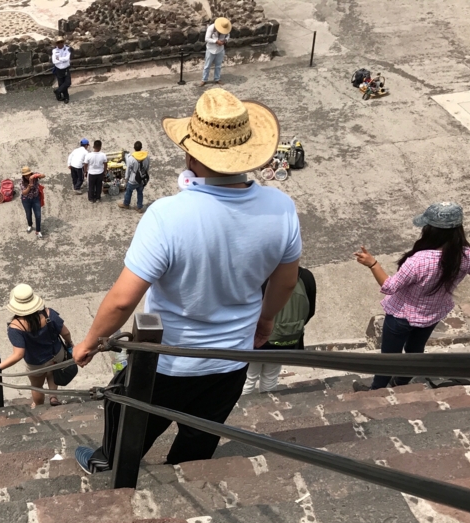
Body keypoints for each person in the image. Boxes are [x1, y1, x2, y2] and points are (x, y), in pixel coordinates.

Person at [72, 88, 302, 471]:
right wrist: (264, 319)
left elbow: (123, 300)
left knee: (128, 417)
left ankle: (109, 463)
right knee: (201, 432)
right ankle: (186, 472)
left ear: (192, 152)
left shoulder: (167, 215)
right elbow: (286, 282)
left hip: (168, 362)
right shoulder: (281, 208)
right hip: (232, 357)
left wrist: (90, 342)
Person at [353, 202, 470, 391]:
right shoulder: (467, 254)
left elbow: (389, 286)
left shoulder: (418, 261)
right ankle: (401, 383)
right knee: (414, 351)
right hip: (432, 315)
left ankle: (376, 390)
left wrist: (373, 264)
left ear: (432, 231)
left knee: (388, 357)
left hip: (401, 316)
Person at [0, 284, 73, 409]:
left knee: (36, 386)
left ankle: (38, 406)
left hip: (36, 363)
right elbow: (65, 333)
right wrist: (69, 343)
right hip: (57, 353)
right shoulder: (49, 314)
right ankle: (53, 397)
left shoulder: (15, 327)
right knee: (53, 372)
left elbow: (18, 354)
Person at [243, 267, 316, 394]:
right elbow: (310, 311)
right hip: (286, 339)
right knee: (271, 377)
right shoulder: (305, 276)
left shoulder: (257, 276)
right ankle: (269, 405)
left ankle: (243, 409)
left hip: (256, 339)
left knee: (248, 378)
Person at [120, 141, 150, 212]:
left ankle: (126, 204)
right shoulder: (147, 157)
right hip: (142, 179)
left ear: (134, 148)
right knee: (140, 192)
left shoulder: (131, 158)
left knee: (129, 191)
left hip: (133, 179)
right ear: (141, 148)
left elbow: (128, 169)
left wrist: (126, 178)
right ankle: (139, 207)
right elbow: (147, 168)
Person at [201, 17, 231, 86]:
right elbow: (206, 38)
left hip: (220, 49)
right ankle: (204, 80)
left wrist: (225, 40)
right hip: (211, 49)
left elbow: (228, 35)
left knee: (218, 66)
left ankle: (217, 79)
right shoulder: (211, 28)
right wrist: (216, 41)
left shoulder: (226, 28)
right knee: (207, 65)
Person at [20, 166, 44, 239]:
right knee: (28, 214)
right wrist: (29, 187)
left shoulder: (34, 176)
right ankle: (30, 225)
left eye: (28, 174)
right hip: (26, 199)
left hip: (35, 198)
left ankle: (38, 230)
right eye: (25, 175)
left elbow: (43, 175)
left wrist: (34, 176)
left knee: (38, 215)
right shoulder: (21, 182)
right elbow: (24, 193)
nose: (27, 176)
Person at [51, 38, 71, 103]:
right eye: (58, 42)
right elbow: (54, 61)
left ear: (63, 42)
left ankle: (57, 91)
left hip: (66, 68)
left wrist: (59, 58)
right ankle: (65, 97)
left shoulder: (67, 49)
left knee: (68, 83)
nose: (60, 44)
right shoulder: (54, 50)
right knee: (61, 83)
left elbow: (67, 58)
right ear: (56, 44)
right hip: (58, 69)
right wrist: (62, 59)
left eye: (61, 42)